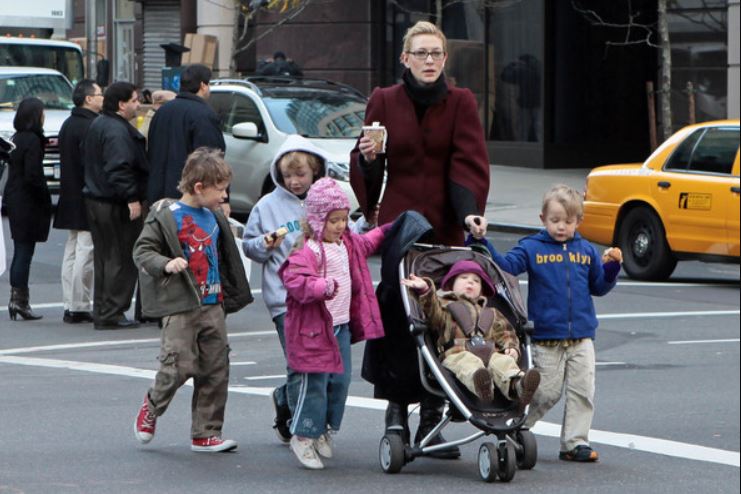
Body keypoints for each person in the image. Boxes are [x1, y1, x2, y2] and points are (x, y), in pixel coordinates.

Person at [349, 20, 489, 458]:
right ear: (405, 59)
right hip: (399, 225)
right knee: (398, 312)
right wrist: (368, 160)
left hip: (447, 227)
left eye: (436, 54)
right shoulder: (384, 100)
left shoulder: (462, 102)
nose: (429, 61)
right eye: (421, 53)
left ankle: (433, 415)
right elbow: (367, 164)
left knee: (443, 317)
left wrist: (470, 212)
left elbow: (468, 162)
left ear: (445, 60)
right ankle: (395, 410)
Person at [468, 184, 622, 463]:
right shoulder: (532, 247)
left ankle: (575, 443)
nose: (561, 227)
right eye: (554, 220)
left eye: (567, 221)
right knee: (545, 392)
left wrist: (611, 270)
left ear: (578, 221)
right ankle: (520, 428)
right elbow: (507, 266)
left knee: (583, 391)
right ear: (542, 219)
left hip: (582, 336)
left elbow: (598, 287)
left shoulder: (585, 249)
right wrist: (482, 243)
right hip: (546, 336)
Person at [132, 147, 253, 453]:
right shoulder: (166, 216)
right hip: (180, 304)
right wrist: (166, 263)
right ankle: (152, 406)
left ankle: (206, 432)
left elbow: (225, 254)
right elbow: (142, 250)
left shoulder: (213, 215)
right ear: (199, 188)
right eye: (220, 190)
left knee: (216, 368)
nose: (224, 196)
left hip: (213, 303)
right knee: (177, 366)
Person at [278, 178, 387, 470]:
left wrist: (391, 227)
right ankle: (302, 435)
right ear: (317, 220)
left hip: (340, 327)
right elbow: (294, 280)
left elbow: (368, 241)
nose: (341, 225)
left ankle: (325, 428)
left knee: (339, 382)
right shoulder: (309, 250)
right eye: (334, 220)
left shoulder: (346, 243)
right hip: (314, 330)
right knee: (314, 384)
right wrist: (320, 286)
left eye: (344, 219)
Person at [242, 135, 330, 444]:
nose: (294, 181)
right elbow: (250, 246)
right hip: (285, 300)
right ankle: (301, 427)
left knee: (324, 365)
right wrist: (264, 243)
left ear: (315, 171)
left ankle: (285, 399)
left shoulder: (326, 201)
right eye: (287, 175)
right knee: (298, 364)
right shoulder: (267, 206)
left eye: (300, 175)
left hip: (324, 296)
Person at [401, 260, 540, 409]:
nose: (470, 282)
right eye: (464, 278)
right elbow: (431, 311)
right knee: (468, 364)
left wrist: (511, 347)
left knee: (503, 363)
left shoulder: (491, 313)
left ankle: (518, 385)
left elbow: (506, 332)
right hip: (457, 352)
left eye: (476, 281)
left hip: (491, 351)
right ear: (450, 285)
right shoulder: (444, 307)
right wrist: (425, 291)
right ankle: (481, 385)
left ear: (482, 290)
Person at [83, 81, 148, 330]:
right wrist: (131, 198)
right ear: (122, 104)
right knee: (120, 257)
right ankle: (112, 311)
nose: (138, 104)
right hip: (114, 202)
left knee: (105, 256)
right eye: (134, 100)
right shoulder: (116, 130)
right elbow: (119, 167)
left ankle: (104, 309)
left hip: (97, 199)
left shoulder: (99, 124)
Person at [146, 64, 228, 215]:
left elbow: (151, 151)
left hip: (157, 197)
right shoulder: (204, 115)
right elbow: (212, 161)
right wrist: (222, 198)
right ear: (203, 85)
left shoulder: (162, 112)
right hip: (189, 199)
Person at [54, 79, 103, 324]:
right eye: (99, 94)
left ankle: (69, 302)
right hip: (87, 195)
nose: (102, 98)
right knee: (86, 250)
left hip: (69, 193)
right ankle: (80, 305)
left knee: (72, 250)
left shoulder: (68, 124)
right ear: (88, 99)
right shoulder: (91, 126)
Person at [3, 97, 52, 320]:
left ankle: (17, 299)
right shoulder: (32, 140)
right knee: (24, 251)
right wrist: (45, 196)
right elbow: (33, 175)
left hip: (15, 198)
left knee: (21, 249)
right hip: (28, 201)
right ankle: (19, 301)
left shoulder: (16, 138)